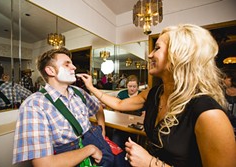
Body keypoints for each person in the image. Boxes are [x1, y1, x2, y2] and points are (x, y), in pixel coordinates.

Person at [77, 24, 236, 167]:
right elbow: (119, 104)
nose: (150, 55)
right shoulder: (155, 94)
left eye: (157, 48)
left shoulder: (208, 114)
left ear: (179, 54)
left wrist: (150, 163)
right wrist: (91, 87)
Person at [12, 47, 114, 167]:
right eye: (67, 64)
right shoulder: (34, 106)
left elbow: (98, 108)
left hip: (102, 154)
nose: (74, 67)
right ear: (51, 71)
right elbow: (44, 164)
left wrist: (102, 131)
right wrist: (90, 150)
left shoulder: (78, 92)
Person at [112, 74, 145, 150]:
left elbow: (144, 113)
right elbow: (116, 110)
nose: (132, 89)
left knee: (134, 145)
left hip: (136, 126)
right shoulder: (122, 94)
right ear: (126, 86)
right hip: (122, 124)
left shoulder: (142, 95)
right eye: (130, 86)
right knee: (116, 141)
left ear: (138, 86)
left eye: (134, 87)